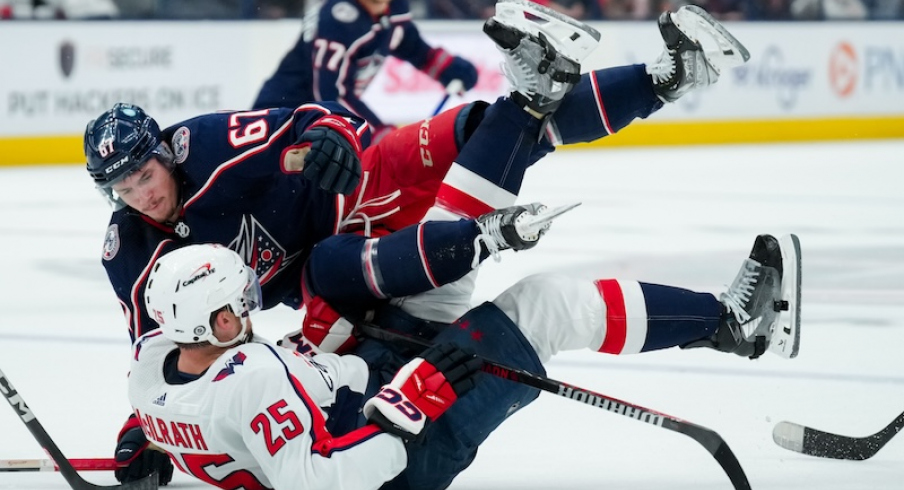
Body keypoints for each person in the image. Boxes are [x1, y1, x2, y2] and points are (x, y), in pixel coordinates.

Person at [91, 0, 750, 483]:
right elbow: (162, 350)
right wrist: (145, 424)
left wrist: (334, 143)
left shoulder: (206, 146)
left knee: (487, 130)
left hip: (352, 192)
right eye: (123, 190)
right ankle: (633, 85)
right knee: (509, 139)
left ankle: (651, 80)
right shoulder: (136, 256)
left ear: (164, 155)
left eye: (145, 176)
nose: (142, 196)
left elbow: (319, 116)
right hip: (344, 265)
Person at [127, 218, 800, 488]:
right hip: (396, 460)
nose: (247, 310)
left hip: (366, 401)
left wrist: (145, 447)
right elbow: (317, 484)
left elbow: (217, 423)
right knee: (543, 307)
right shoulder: (249, 373)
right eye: (234, 308)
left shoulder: (150, 376)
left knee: (445, 278)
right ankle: (733, 326)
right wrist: (403, 413)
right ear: (207, 321)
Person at [252, 0, 480, 142]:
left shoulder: (394, 8)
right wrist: (375, 131)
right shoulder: (338, 18)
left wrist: (448, 67)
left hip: (323, 122)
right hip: (283, 118)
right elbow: (331, 94)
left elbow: (410, 45)